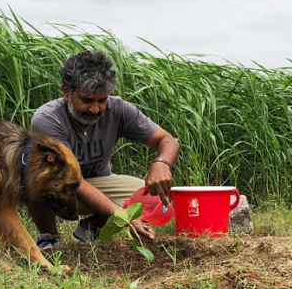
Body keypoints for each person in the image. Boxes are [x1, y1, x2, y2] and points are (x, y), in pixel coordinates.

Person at [28, 51, 180, 250]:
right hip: (59, 189)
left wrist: (162, 163)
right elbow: (73, 181)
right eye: (87, 100)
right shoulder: (48, 119)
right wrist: (123, 217)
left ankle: (91, 228)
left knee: (151, 197)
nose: (96, 109)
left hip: (99, 183)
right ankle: (50, 237)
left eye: (102, 100)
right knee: (32, 180)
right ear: (66, 92)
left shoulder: (119, 109)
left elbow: (167, 140)